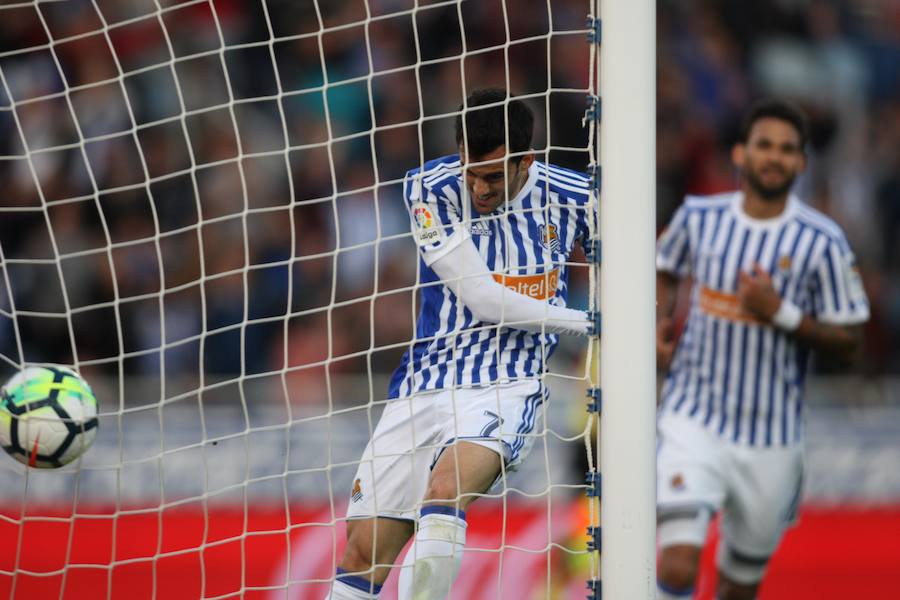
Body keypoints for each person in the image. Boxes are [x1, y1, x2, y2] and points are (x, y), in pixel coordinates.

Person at [325, 88, 597, 599]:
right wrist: (590, 321)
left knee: (445, 492)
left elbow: (636, 258)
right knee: (360, 557)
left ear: (525, 161)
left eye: (493, 176)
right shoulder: (429, 188)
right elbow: (483, 299)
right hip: (423, 382)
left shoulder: (575, 196)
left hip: (505, 383)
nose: (478, 187)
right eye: (471, 170)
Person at [655, 99, 869, 600]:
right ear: (739, 153)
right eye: (765, 145)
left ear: (802, 163)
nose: (774, 157)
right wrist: (660, 320)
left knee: (738, 588)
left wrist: (781, 312)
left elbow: (850, 344)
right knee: (679, 562)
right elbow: (665, 266)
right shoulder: (698, 216)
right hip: (693, 417)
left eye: (787, 149)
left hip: (772, 439)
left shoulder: (824, 241)